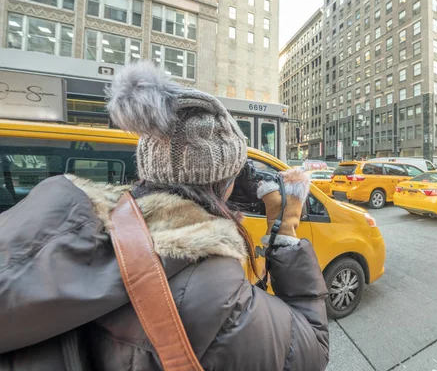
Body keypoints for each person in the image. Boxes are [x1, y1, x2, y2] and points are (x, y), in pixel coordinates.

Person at [0, 62, 329, 370]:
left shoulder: (76, 233)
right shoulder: (219, 297)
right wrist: (284, 233)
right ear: (226, 185)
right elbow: (310, 347)